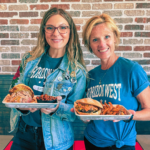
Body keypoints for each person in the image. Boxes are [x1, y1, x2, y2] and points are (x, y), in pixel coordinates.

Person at [9, 7, 86, 150]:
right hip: (24, 134)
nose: (56, 33)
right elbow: (14, 91)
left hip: (57, 140)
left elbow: (76, 111)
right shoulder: (28, 60)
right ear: (44, 31)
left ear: (71, 32)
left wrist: (56, 108)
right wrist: (22, 105)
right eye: (50, 27)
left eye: (63, 27)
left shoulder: (77, 71)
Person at [80, 14, 150, 150]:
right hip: (92, 141)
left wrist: (129, 115)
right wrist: (84, 117)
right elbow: (89, 113)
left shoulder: (131, 70)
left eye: (107, 37)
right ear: (90, 45)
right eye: (95, 39)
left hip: (121, 145)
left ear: (115, 38)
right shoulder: (91, 75)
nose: (102, 44)